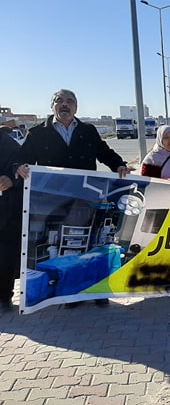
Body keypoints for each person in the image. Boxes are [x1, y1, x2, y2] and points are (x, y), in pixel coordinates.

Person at [15, 89, 131, 307]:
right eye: (59, 101)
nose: (65, 105)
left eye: (70, 101)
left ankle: (97, 292)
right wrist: (18, 167)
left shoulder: (88, 131)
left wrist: (119, 164)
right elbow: (23, 159)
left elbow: (104, 153)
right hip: (55, 203)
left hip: (86, 201)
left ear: (76, 107)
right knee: (66, 250)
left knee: (92, 247)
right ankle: (69, 293)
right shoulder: (38, 134)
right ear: (52, 106)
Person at [0, 128, 22, 311]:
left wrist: (11, 180)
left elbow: (22, 168)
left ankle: (3, 297)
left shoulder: (8, 144)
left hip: (5, 211)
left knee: (5, 256)